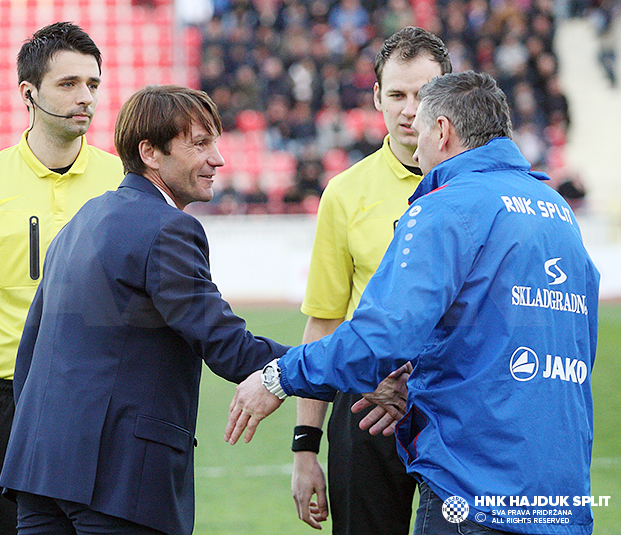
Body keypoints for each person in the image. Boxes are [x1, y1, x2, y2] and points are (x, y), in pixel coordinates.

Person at [226, 71, 599, 535]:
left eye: (421, 131)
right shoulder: (557, 209)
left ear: (442, 131)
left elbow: (379, 336)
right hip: (562, 496)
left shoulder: (446, 205)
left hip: (473, 491)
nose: (417, 150)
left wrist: (278, 377)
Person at [0, 85, 291, 535]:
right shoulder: (170, 228)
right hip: (117, 481)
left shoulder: (81, 220)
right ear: (150, 152)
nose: (218, 159)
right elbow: (228, 347)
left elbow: (30, 353)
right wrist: (333, 366)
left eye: (215, 141)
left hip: (39, 468)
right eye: (199, 144)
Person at [0, 22, 123, 535]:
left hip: (103, 401)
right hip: (5, 404)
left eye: (93, 84)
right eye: (69, 84)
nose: (86, 98)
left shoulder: (125, 182)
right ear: (28, 94)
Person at [291, 27, 451, 533]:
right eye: (397, 94)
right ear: (376, 96)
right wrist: (305, 449)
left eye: (424, 94)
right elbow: (325, 322)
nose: (410, 109)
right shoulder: (344, 193)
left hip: (456, 411)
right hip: (364, 407)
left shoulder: (480, 188)